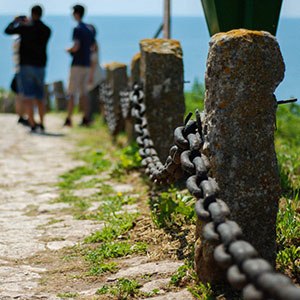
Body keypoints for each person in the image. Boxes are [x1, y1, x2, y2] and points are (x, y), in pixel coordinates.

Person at [4, 5, 51, 132]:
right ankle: (42, 122)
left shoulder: (25, 28)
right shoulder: (46, 29)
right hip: (40, 66)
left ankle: (32, 124)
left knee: (28, 97)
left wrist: (17, 21)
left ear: (32, 13)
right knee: (40, 97)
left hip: (25, 66)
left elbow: (7, 31)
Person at [64, 4, 95, 127]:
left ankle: (69, 119)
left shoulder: (77, 29)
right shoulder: (90, 29)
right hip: (87, 64)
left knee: (71, 92)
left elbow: (76, 46)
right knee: (84, 93)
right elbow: (93, 47)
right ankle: (86, 118)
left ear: (76, 13)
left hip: (76, 64)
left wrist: (68, 50)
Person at [87, 25, 105, 122]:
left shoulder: (92, 44)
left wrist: (90, 76)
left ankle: (90, 118)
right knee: (96, 99)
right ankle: (93, 118)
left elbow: (93, 61)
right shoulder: (94, 43)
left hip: (94, 75)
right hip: (97, 74)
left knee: (92, 100)